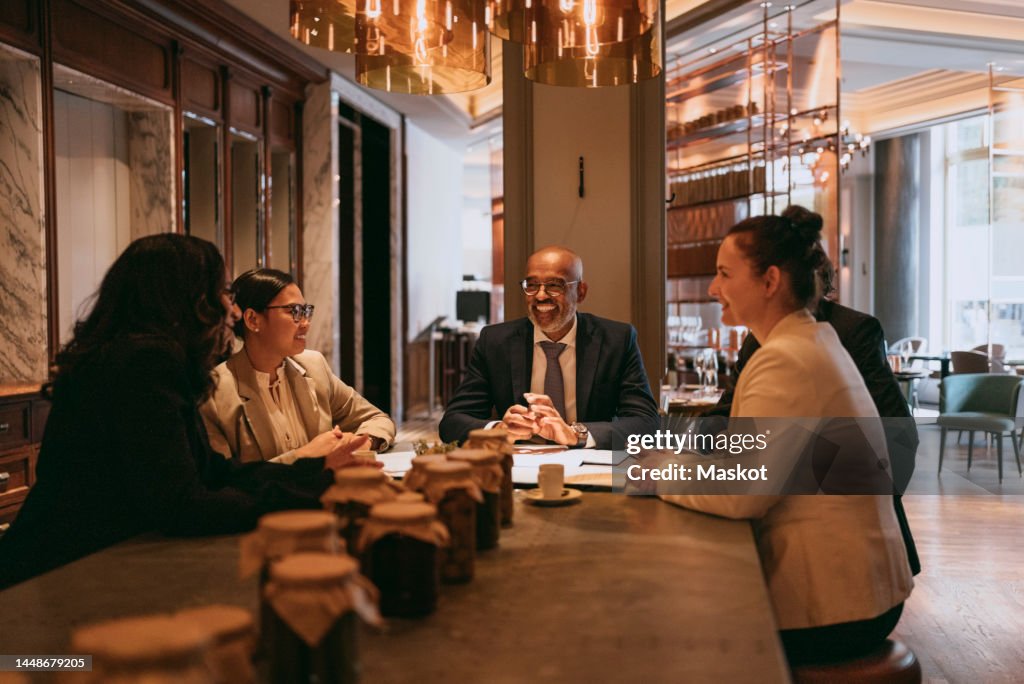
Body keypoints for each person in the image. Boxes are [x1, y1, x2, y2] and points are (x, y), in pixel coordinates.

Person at [0, 235, 365, 589]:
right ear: (185, 298)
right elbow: (183, 505)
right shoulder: (144, 364)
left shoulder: (138, 356)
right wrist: (313, 492)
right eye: (223, 292)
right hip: (57, 574)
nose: (232, 310)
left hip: (87, 562)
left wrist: (314, 472)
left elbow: (212, 471)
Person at [662, 206, 913, 666]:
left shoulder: (787, 357)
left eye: (723, 273)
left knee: (674, 628)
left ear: (770, 281)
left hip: (836, 605)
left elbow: (745, 496)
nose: (713, 288)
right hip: (862, 588)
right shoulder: (811, 340)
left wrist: (653, 472)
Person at [709, 249, 922, 575]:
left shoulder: (853, 330)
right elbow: (727, 414)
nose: (715, 289)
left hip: (841, 543)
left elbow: (898, 435)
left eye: (727, 274)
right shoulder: (757, 339)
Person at [439, 246, 659, 449]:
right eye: (532, 285)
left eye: (555, 285)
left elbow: (647, 423)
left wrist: (577, 434)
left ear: (581, 292)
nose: (541, 295)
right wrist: (499, 430)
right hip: (518, 471)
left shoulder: (617, 340)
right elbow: (452, 422)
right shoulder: (495, 341)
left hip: (590, 468)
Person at [201, 268, 395, 464]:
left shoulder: (313, 367)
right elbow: (222, 481)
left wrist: (361, 443)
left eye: (306, 311)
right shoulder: (215, 392)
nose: (305, 323)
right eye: (294, 311)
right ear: (252, 319)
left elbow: (376, 418)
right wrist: (306, 456)